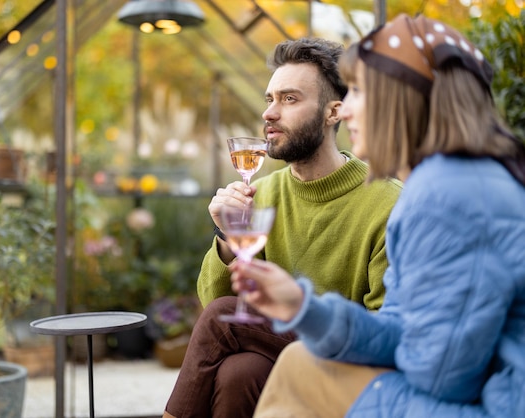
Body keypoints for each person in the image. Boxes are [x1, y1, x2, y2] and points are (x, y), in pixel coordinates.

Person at [230, 14, 525, 417]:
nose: (346, 110)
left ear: (400, 100)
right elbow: (403, 327)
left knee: (303, 372)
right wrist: (304, 307)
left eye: (360, 91)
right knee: (298, 362)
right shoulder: (442, 183)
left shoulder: (449, 196)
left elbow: (441, 377)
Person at [162, 38, 403, 418]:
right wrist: (227, 237)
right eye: (269, 99)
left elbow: (384, 328)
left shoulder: (388, 203)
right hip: (275, 358)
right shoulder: (262, 193)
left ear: (333, 112)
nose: (270, 113)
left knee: (225, 318)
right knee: (240, 373)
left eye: (289, 99)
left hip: (350, 367)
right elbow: (215, 302)